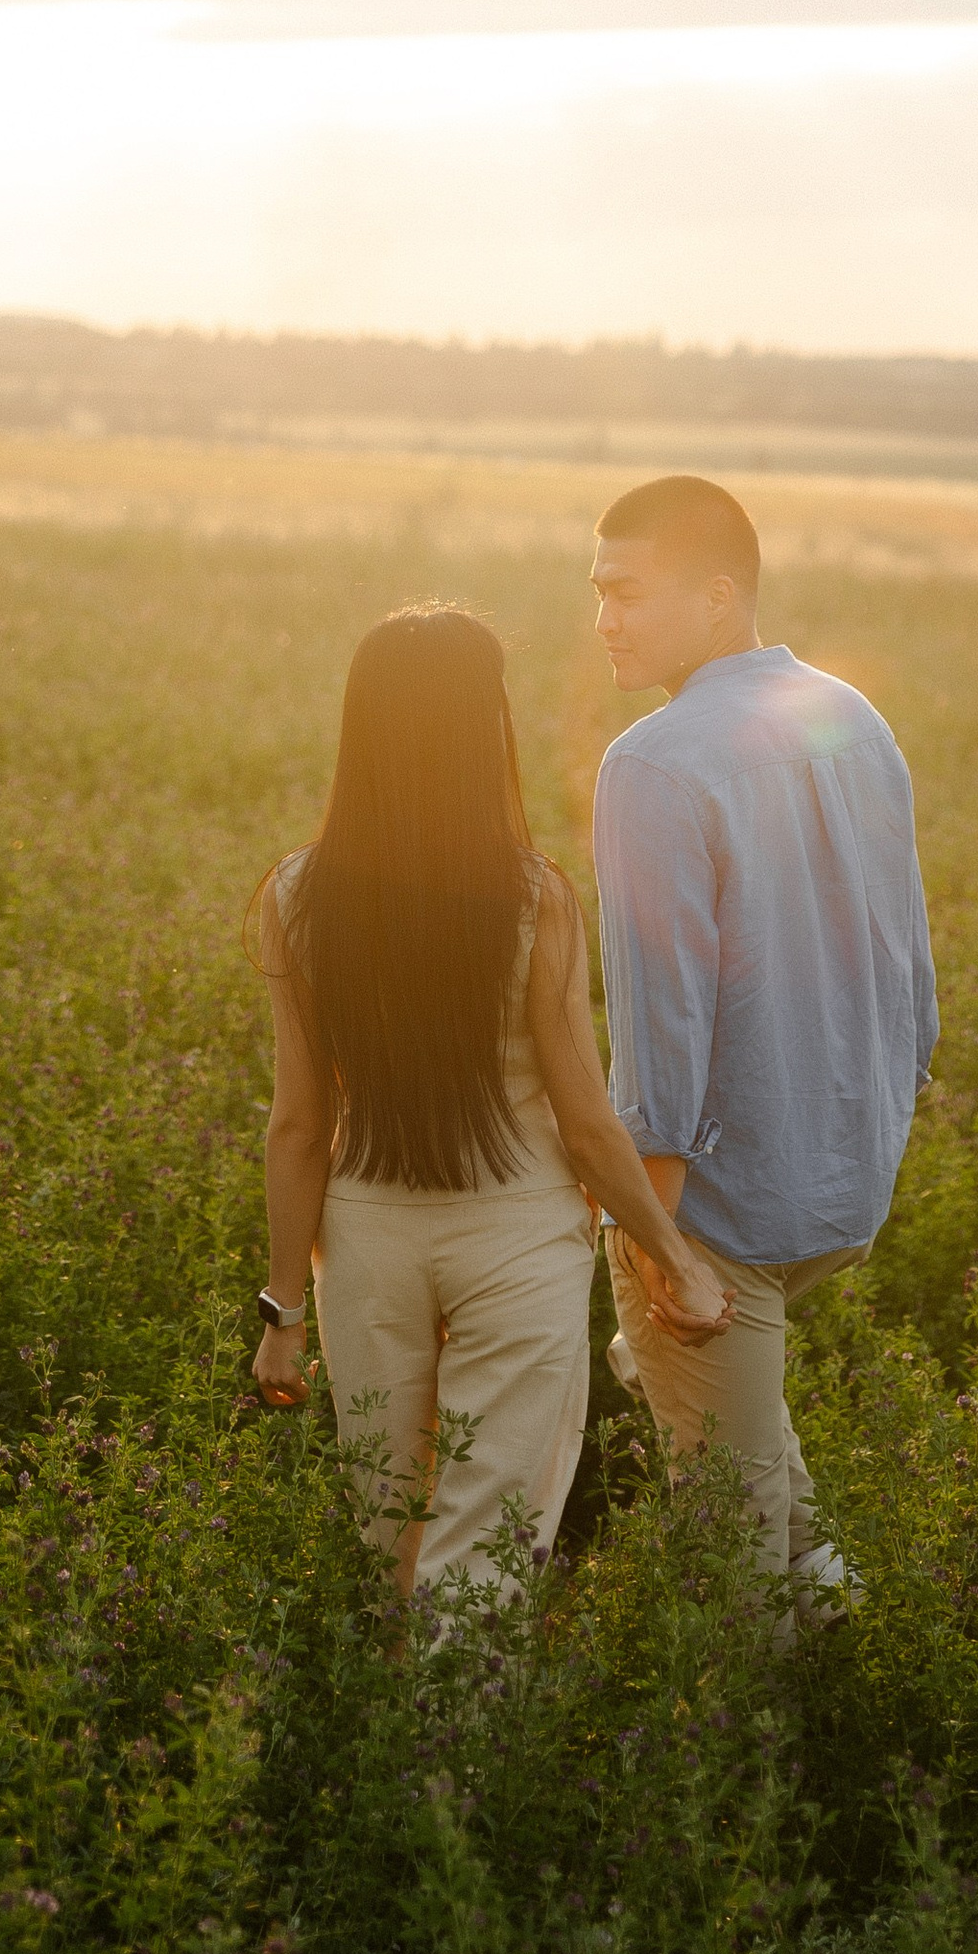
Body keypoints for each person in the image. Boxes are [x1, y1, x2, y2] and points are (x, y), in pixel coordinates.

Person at [249, 601, 731, 1602]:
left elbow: (297, 1127)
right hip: (517, 1244)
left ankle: (401, 1743)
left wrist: (282, 1312)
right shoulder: (534, 898)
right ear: (485, 729)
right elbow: (590, 1126)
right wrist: (673, 1257)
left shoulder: (294, 898)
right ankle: (457, 1754)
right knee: (488, 1547)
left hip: (367, 1250)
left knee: (392, 1537)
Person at [590, 475, 938, 1612]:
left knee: (726, 1557)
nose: (604, 620)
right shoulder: (849, 715)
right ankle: (852, 1651)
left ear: (718, 594)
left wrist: (655, 1233)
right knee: (752, 1454)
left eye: (628, 593)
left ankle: (750, 1769)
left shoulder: (653, 761)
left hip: (715, 1210)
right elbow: (905, 955)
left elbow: (663, 1016)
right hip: (839, 1185)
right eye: (595, 595)